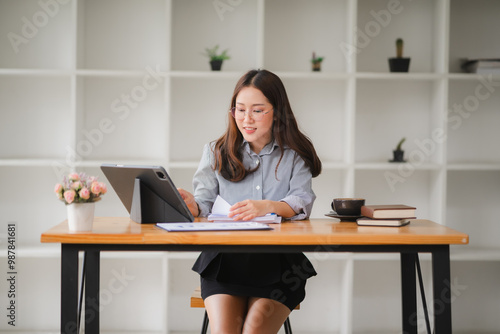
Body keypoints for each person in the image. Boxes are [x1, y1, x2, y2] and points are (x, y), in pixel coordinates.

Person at [178, 69, 322, 334]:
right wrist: (192, 206)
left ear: (277, 111)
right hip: (224, 263)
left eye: (257, 110)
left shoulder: (294, 154)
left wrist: (267, 205)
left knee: (253, 331)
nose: (246, 119)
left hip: (280, 265)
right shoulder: (215, 151)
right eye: (240, 109)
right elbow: (205, 203)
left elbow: (302, 200)